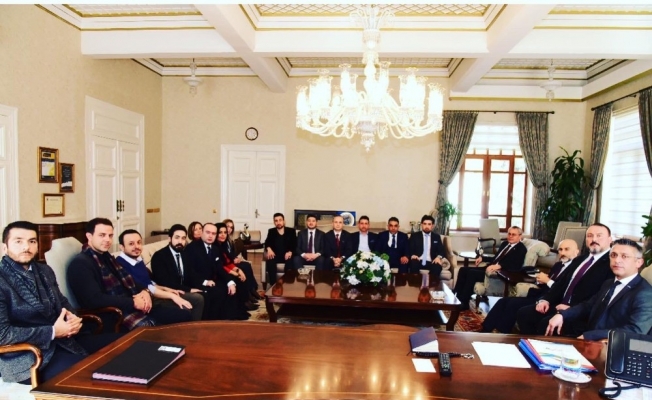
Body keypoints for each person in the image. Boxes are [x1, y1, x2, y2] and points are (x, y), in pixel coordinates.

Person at [0, 221, 120, 384]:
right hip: (28, 357)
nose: (26, 247)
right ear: (5, 247)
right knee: (98, 373)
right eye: (18, 241)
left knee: (124, 345)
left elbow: (62, 302)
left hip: (64, 341)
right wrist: (52, 332)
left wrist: (73, 318)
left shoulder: (44, 270)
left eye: (32, 241)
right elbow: (3, 335)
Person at [68, 218, 191, 331]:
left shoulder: (106, 257)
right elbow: (94, 300)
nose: (107, 239)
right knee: (161, 329)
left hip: (130, 305)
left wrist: (145, 291)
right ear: (89, 236)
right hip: (113, 315)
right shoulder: (81, 264)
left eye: (110, 235)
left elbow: (129, 280)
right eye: (102, 235)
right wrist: (133, 302)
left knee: (184, 315)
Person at [516, 223, 615, 335]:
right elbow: (561, 283)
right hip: (560, 305)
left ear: (610, 239)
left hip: (580, 313)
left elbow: (601, 297)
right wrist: (546, 300)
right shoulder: (580, 260)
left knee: (545, 323)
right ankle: (529, 344)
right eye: (590, 236)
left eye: (599, 236)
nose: (594, 239)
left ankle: (537, 345)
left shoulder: (611, 264)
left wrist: (571, 309)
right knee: (524, 313)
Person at [546, 239, 652, 340]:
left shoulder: (644, 293)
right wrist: (562, 315)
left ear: (639, 262)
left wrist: (590, 336)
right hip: (587, 334)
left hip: (610, 345)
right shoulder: (609, 283)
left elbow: (635, 331)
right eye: (613, 255)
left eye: (624, 256)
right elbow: (588, 305)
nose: (617, 260)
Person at [481, 238, 579, 333]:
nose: (562, 253)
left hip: (551, 301)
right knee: (503, 301)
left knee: (512, 305)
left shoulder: (575, 270)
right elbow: (548, 283)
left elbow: (564, 290)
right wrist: (540, 281)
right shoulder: (558, 265)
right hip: (541, 295)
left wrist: (548, 281)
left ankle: (502, 334)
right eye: (560, 249)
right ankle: (485, 329)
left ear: (576, 252)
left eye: (567, 249)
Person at [115, 228, 204, 321]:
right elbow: (145, 288)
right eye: (131, 244)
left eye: (139, 242)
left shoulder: (137, 258)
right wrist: (171, 295)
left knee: (198, 299)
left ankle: (197, 329)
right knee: (184, 310)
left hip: (156, 294)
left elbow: (149, 283)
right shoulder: (120, 265)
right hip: (147, 303)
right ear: (122, 247)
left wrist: (167, 289)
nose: (136, 246)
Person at [151, 224, 222, 320]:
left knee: (211, 292)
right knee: (199, 298)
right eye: (177, 238)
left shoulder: (184, 253)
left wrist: (204, 282)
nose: (180, 241)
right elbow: (164, 282)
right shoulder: (159, 256)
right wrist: (189, 289)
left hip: (184, 287)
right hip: (169, 291)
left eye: (183, 238)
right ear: (169, 238)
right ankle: (194, 327)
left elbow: (191, 274)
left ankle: (207, 325)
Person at [184, 223, 250, 320]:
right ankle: (214, 321)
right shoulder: (192, 248)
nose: (210, 236)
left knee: (232, 284)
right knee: (218, 292)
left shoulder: (214, 249)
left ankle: (231, 317)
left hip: (211, 281)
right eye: (208, 232)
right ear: (202, 233)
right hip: (197, 282)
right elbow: (189, 272)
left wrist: (229, 282)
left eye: (213, 233)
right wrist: (205, 282)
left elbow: (219, 268)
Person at [453, 226, 527, 310]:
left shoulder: (521, 249)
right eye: (509, 234)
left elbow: (516, 265)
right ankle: (456, 295)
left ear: (520, 236)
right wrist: (482, 258)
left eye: (513, 234)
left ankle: (464, 302)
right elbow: (496, 258)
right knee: (463, 270)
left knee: (472, 273)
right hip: (490, 268)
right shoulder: (505, 244)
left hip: (498, 273)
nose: (510, 236)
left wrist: (500, 266)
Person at [215, 222, 260, 309]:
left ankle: (248, 296)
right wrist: (235, 272)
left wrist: (237, 270)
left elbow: (227, 261)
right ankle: (244, 302)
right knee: (239, 275)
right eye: (220, 232)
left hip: (227, 268)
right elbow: (220, 266)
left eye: (225, 232)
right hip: (219, 273)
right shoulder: (215, 247)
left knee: (244, 268)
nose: (223, 235)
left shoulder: (223, 244)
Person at [264, 212, 297, 284]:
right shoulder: (271, 231)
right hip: (275, 255)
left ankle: (287, 284)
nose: (278, 222)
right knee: (270, 261)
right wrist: (269, 249)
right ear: (274, 222)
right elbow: (267, 242)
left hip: (287, 255)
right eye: (276, 221)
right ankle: (273, 285)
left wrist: (290, 252)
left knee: (290, 262)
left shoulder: (291, 231)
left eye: (280, 220)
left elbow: (294, 244)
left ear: (284, 221)